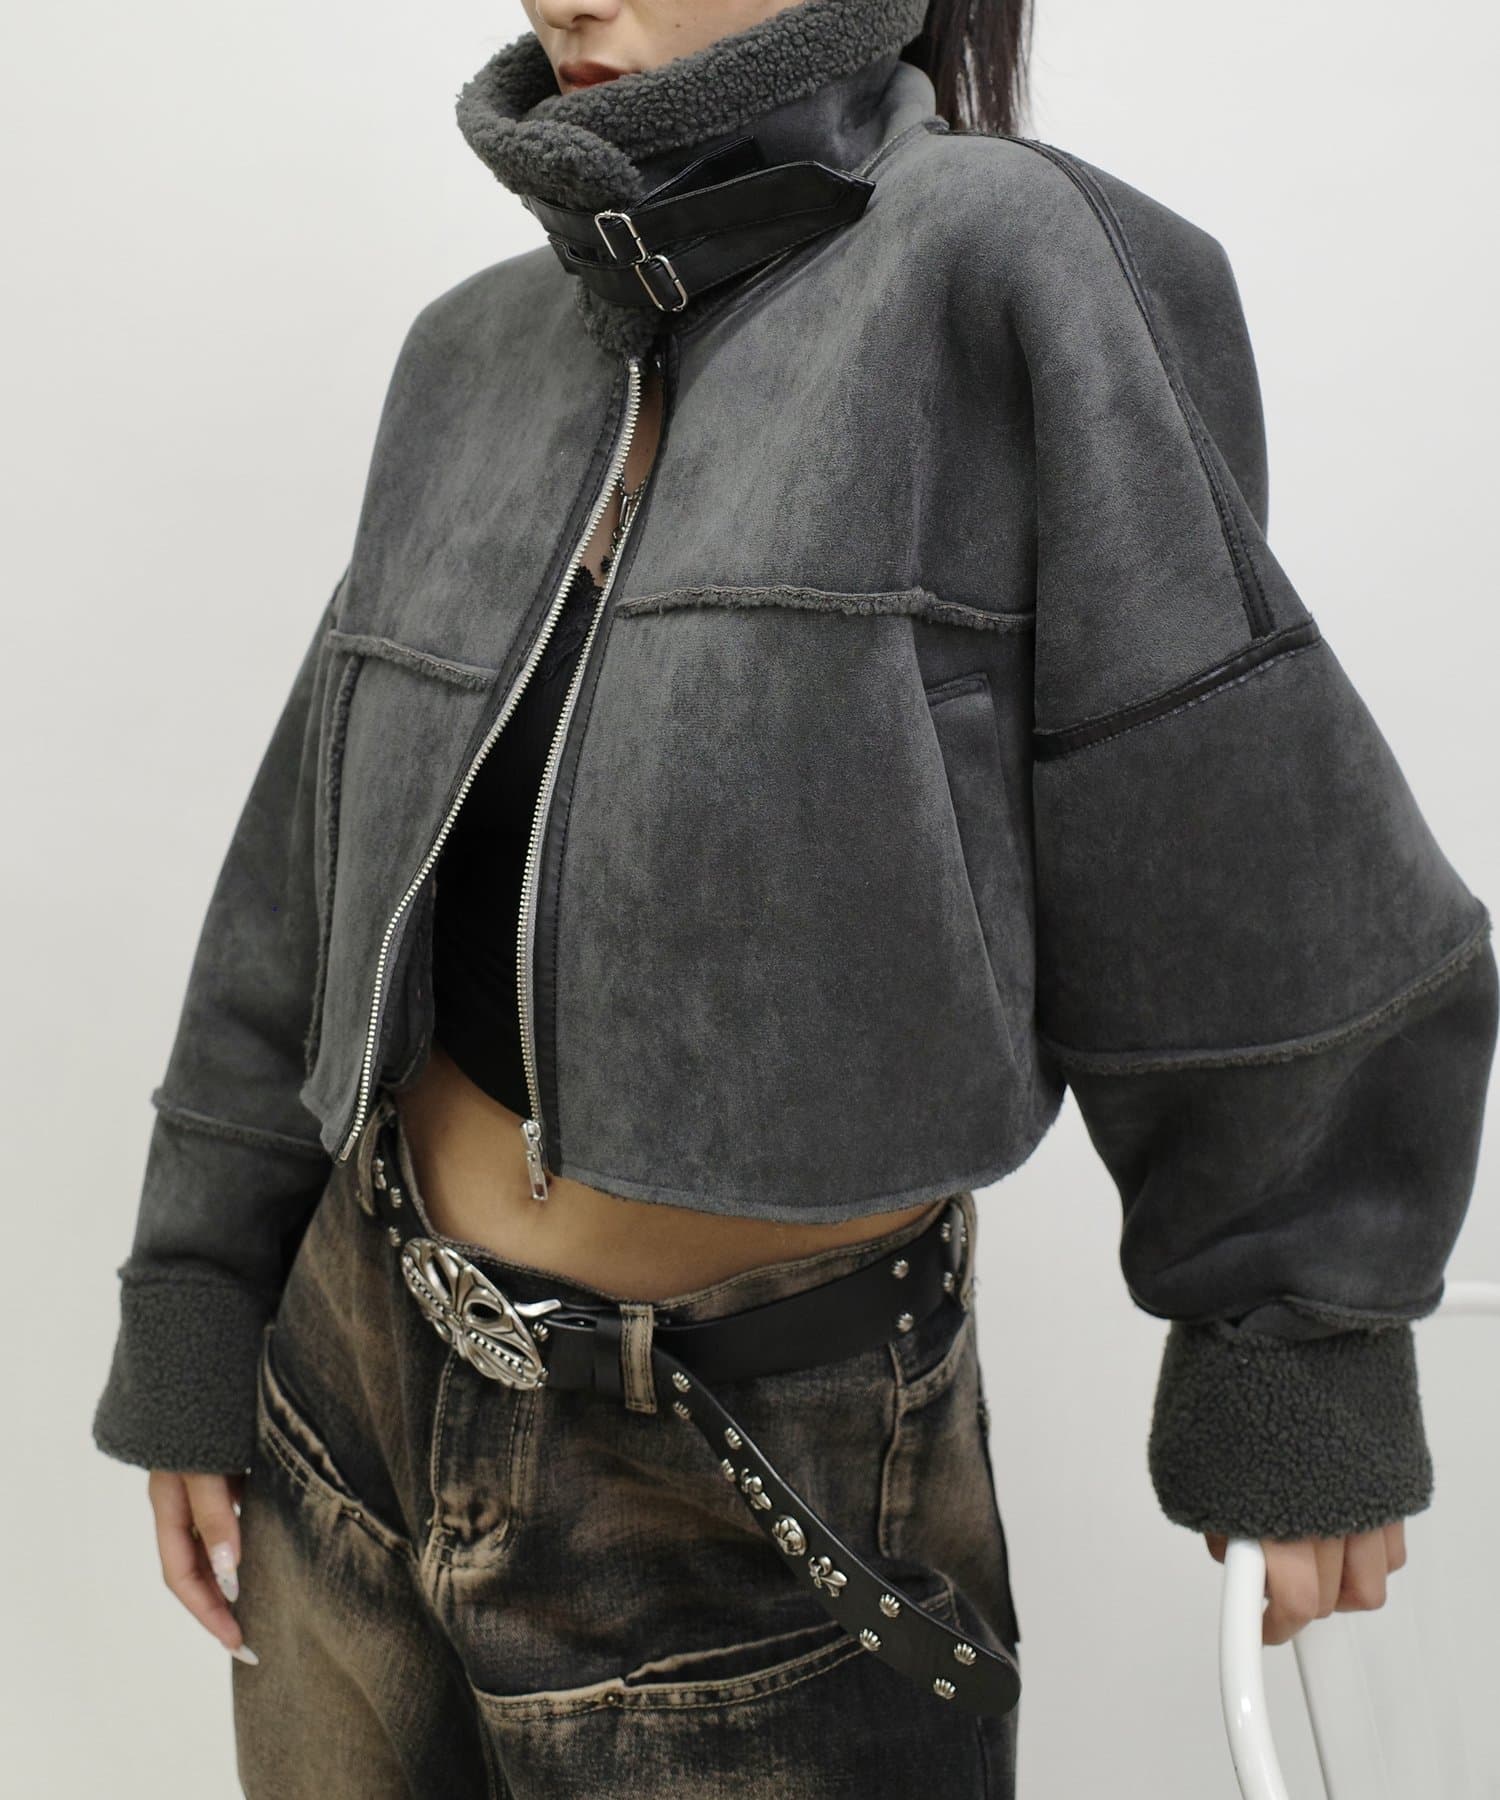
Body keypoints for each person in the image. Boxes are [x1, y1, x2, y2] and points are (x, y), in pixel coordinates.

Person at [92, 0, 1498, 1792]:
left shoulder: (1005, 268)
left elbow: (1238, 822)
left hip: (744, 1484)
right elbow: (307, 874)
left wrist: (1298, 1355)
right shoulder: (471, 353)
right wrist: (200, 1304)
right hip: (344, 1402)